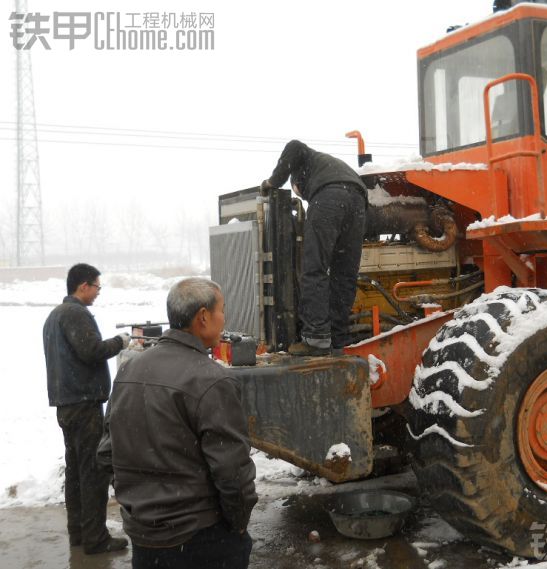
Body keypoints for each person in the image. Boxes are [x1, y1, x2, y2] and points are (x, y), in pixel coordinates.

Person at [98, 278, 257, 569]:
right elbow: (232, 473)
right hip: (202, 540)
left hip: (147, 542)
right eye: (222, 310)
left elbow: (107, 453)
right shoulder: (212, 380)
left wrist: (140, 506)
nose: (224, 319)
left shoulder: (130, 369)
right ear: (203, 317)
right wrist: (237, 525)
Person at [42, 263, 130, 554]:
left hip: (66, 404)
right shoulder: (75, 314)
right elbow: (91, 351)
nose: (98, 292)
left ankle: (78, 533)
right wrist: (121, 342)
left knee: (76, 472)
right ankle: (95, 538)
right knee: (93, 471)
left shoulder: (54, 316)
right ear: (83, 286)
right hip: (83, 404)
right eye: (97, 287)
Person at [261, 139, 368, 356]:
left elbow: (294, 145)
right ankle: (337, 338)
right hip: (359, 201)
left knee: (313, 268)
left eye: (299, 193)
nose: (302, 196)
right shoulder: (330, 165)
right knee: (344, 275)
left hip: (330, 197)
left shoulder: (307, 161)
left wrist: (273, 181)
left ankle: (316, 338)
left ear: (298, 179)